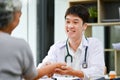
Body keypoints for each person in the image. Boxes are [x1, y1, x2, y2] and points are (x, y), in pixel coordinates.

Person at [0, 0, 66, 80]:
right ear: (13, 17)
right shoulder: (19, 45)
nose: (20, 15)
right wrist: (54, 66)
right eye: (18, 13)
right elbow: (31, 76)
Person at [38, 4, 105, 80]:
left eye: (75, 22)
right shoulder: (57, 47)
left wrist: (73, 72)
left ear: (84, 26)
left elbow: (98, 72)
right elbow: (41, 70)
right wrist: (46, 67)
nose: (70, 26)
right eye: (68, 22)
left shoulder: (94, 44)